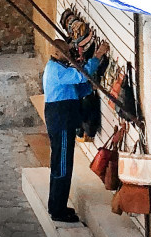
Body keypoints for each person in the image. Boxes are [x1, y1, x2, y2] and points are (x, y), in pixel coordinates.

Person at [44, 39, 109, 223]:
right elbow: (80, 76)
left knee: (60, 163)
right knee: (62, 165)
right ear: (57, 53)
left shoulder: (59, 67)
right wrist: (97, 57)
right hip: (61, 121)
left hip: (62, 120)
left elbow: (75, 89)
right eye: (67, 51)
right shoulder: (56, 70)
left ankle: (56, 205)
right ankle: (58, 211)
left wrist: (90, 87)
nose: (71, 54)